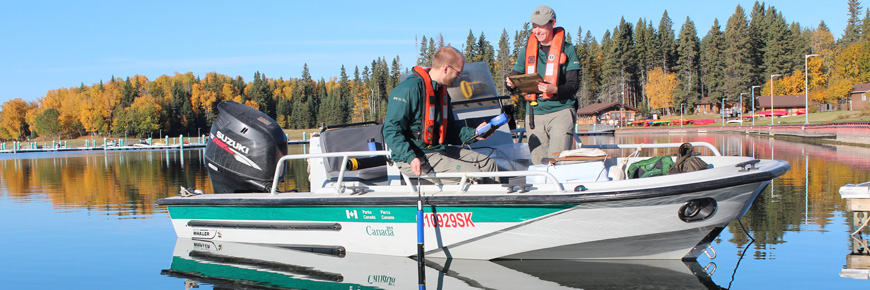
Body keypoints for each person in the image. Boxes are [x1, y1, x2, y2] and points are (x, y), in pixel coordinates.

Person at [382, 46, 498, 182]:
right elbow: (391, 130)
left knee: (488, 164)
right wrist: (410, 157)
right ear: (446, 68)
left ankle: (500, 203)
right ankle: (475, 202)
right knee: (473, 174)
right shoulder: (408, 90)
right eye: (458, 73)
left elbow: (450, 131)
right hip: (415, 155)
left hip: (438, 150)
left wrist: (475, 134)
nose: (459, 77)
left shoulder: (442, 93)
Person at [505, 5, 581, 164]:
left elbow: (573, 85)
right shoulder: (527, 50)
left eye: (541, 26)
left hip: (560, 111)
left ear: (553, 24)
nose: (537, 31)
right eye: (534, 26)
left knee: (557, 162)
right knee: (539, 165)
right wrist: (510, 83)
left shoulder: (568, 50)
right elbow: (514, 76)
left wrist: (555, 89)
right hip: (534, 114)